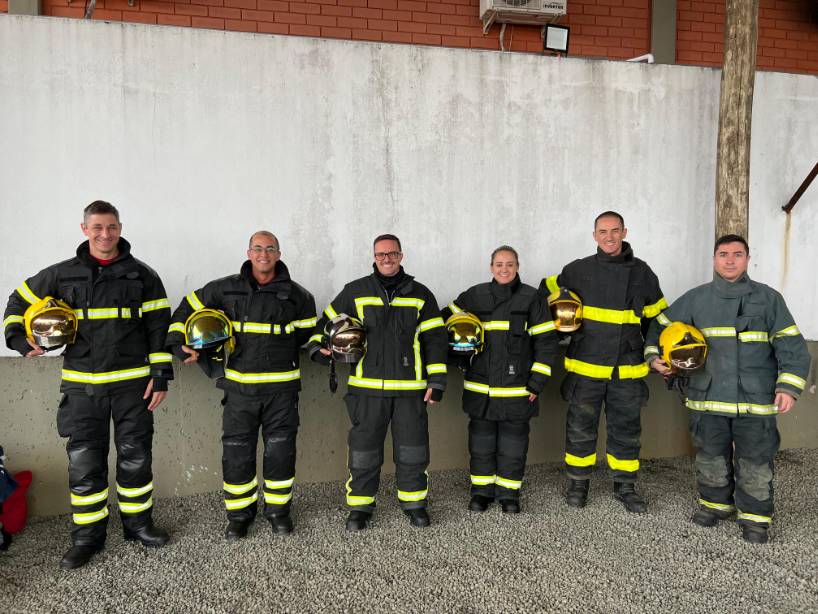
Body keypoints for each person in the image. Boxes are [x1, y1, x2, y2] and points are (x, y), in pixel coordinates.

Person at [3, 200, 174, 569]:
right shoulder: (62, 274)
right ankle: (87, 538)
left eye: (111, 227)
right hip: (82, 388)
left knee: (136, 458)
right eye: (97, 227)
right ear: (84, 229)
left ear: (120, 228)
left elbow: (159, 327)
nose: (104, 234)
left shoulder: (143, 276)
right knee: (84, 463)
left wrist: (160, 375)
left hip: (133, 387)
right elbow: (17, 302)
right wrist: (18, 339)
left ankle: (138, 526)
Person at [646, 234, 810, 544]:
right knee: (710, 455)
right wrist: (655, 358)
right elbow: (658, 327)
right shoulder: (696, 299)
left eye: (737, 254)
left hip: (755, 400)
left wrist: (788, 387)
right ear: (714, 259)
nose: (730, 260)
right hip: (707, 398)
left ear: (748, 259)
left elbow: (791, 346)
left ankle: (755, 518)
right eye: (723, 254)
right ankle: (715, 505)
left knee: (755, 459)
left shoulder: (769, 299)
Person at [165, 231, 316, 539]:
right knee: (236, 453)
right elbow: (186, 308)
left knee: (280, 453)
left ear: (279, 254)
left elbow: (308, 337)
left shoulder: (299, 296)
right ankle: (239, 515)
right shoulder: (224, 288)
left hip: (281, 392)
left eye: (270, 249)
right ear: (249, 253)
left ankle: (278, 512)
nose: (264, 254)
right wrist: (178, 343)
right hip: (239, 391)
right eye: (257, 248)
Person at [308, 234, 447, 531]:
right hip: (366, 390)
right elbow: (326, 323)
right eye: (381, 254)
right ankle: (360, 507)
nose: (386, 259)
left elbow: (435, 340)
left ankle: (414, 503)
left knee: (413, 450)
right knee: (363, 451)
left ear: (401, 256)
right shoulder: (356, 291)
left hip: (410, 391)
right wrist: (317, 348)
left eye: (392, 253)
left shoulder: (421, 294)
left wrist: (437, 380)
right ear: (374, 257)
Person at [539, 211, 666, 513]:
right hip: (586, 367)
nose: (609, 237)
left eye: (615, 230)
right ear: (594, 235)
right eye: (603, 231)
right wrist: (557, 325)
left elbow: (657, 320)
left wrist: (656, 354)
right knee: (580, 429)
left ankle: (625, 486)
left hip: (627, 369)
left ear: (624, 232)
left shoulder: (643, 273)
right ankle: (578, 483)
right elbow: (545, 293)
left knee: (626, 430)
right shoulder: (577, 270)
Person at [442, 246, 558, 514]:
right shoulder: (475, 295)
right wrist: (456, 355)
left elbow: (547, 343)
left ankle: (509, 494)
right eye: (499, 264)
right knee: (480, 443)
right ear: (491, 267)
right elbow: (444, 319)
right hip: (480, 388)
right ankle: (481, 492)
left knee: (513, 445)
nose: (504, 269)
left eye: (509, 264)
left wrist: (537, 383)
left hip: (518, 389)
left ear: (517, 266)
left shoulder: (532, 298)